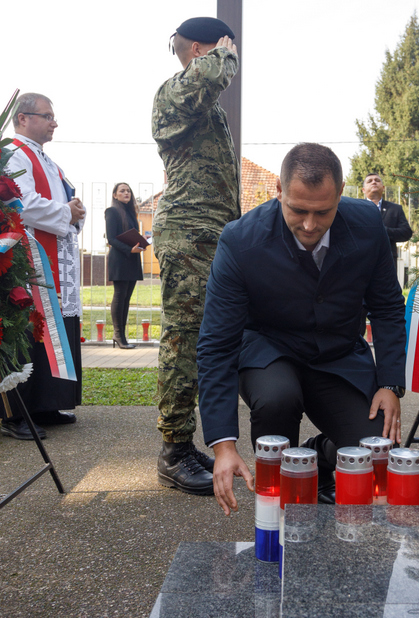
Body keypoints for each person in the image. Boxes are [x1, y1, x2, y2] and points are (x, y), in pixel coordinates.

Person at [197, 143, 407, 515]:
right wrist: (223, 446)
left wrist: (389, 385)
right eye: (298, 210)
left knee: (377, 456)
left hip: (338, 357)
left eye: (322, 212)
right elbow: (217, 344)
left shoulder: (368, 224)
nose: (309, 225)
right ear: (279, 190)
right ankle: (278, 501)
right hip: (269, 352)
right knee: (277, 398)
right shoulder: (241, 240)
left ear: (340, 195)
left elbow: (388, 307)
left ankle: (315, 456)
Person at [152, 16, 240, 495]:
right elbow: (207, 76)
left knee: (208, 341)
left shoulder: (203, 105)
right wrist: (222, 54)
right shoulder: (173, 94)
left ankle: (188, 444)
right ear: (201, 51)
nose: (232, 57)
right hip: (187, 235)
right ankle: (173, 452)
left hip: (212, 236)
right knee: (183, 343)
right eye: (224, 47)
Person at [1, 92, 85, 440]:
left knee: (53, 326)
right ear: (23, 118)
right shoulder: (13, 154)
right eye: (47, 116)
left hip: (55, 258)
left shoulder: (47, 160)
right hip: (27, 259)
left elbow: (62, 200)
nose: (54, 123)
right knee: (27, 328)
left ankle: (46, 404)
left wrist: (74, 211)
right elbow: (22, 203)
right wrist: (67, 212)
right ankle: (15, 413)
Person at [105, 183, 144, 350]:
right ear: (115, 195)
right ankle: (118, 334)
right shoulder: (112, 211)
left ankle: (122, 336)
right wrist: (129, 249)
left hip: (132, 259)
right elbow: (111, 239)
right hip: (120, 259)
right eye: (122, 191)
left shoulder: (131, 213)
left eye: (128, 191)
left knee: (127, 298)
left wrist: (141, 242)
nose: (126, 193)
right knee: (120, 295)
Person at [362, 173, 413, 263]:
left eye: (377, 180)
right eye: (369, 181)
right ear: (363, 190)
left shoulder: (395, 209)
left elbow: (406, 233)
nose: (374, 182)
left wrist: (383, 231)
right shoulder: (356, 208)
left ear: (383, 188)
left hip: (387, 262)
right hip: (362, 260)